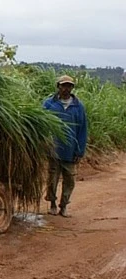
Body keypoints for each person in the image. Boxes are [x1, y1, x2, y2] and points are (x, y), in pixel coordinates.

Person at [42, 75, 88, 218]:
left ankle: (64, 206)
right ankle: (53, 204)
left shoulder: (78, 107)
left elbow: (82, 130)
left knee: (70, 180)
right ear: (58, 87)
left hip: (71, 150)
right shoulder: (49, 104)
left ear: (72, 88)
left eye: (69, 86)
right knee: (52, 179)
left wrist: (79, 151)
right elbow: (42, 125)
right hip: (53, 149)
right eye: (63, 85)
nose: (66, 88)